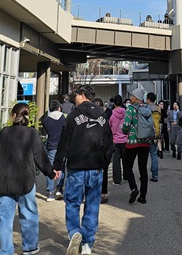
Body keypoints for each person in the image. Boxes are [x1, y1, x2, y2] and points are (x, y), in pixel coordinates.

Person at [0, 102, 60, 255]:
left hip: (4, 182)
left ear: (14, 115)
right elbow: (40, 157)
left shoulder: (4, 132)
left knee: (4, 220)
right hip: (25, 181)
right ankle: (30, 248)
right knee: (28, 216)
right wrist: (51, 173)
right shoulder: (31, 133)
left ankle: (4, 251)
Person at [53, 85, 114, 255]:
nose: (74, 98)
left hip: (76, 166)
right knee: (92, 204)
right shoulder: (103, 116)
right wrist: (104, 163)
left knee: (73, 202)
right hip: (95, 167)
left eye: (76, 95)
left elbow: (63, 142)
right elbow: (109, 144)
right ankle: (87, 242)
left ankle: (74, 232)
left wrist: (57, 165)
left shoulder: (73, 116)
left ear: (82, 95)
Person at [122, 87, 152, 204]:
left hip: (133, 142)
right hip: (146, 142)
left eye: (132, 96)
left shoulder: (131, 109)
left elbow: (126, 124)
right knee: (143, 168)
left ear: (136, 97)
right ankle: (143, 196)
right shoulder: (147, 108)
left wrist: (125, 131)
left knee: (128, 166)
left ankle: (134, 189)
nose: (131, 98)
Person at [41, 100, 66, 201]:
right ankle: (59, 189)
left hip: (51, 146)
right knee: (62, 168)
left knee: (50, 168)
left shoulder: (46, 120)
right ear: (59, 108)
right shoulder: (64, 118)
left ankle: (50, 192)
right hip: (63, 146)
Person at [93, 98, 112, 204]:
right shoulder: (104, 117)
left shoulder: (89, 116)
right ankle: (103, 193)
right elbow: (108, 135)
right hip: (104, 149)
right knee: (104, 172)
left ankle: (93, 194)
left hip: (92, 149)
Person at [108, 94, 128, 190]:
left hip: (115, 139)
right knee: (126, 159)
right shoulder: (126, 112)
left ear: (114, 103)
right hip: (125, 139)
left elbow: (109, 126)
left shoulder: (111, 114)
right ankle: (127, 176)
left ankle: (117, 180)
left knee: (116, 160)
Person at [146, 92, 162, 181]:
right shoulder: (158, 109)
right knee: (154, 154)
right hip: (156, 134)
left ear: (148, 99)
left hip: (147, 134)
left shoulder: (146, 108)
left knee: (144, 156)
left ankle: (143, 174)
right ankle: (155, 175)